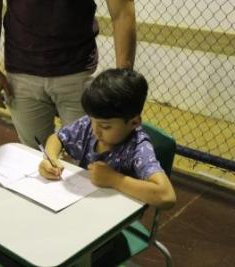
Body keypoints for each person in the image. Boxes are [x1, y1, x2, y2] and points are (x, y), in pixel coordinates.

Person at [0, 0, 136, 149]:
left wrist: (122, 82)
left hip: (77, 71)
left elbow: (122, 12)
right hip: (22, 72)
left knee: (88, 158)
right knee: (34, 156)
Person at [38, 69, 176, 209]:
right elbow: (56, 138)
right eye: (92, 121)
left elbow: (166, 196)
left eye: (105, 126)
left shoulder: (138, 147)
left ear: (134, 122)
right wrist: (50, 158)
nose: (95, 130)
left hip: (115, 215)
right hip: (82, 205)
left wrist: (114, 180)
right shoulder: (88, 125)